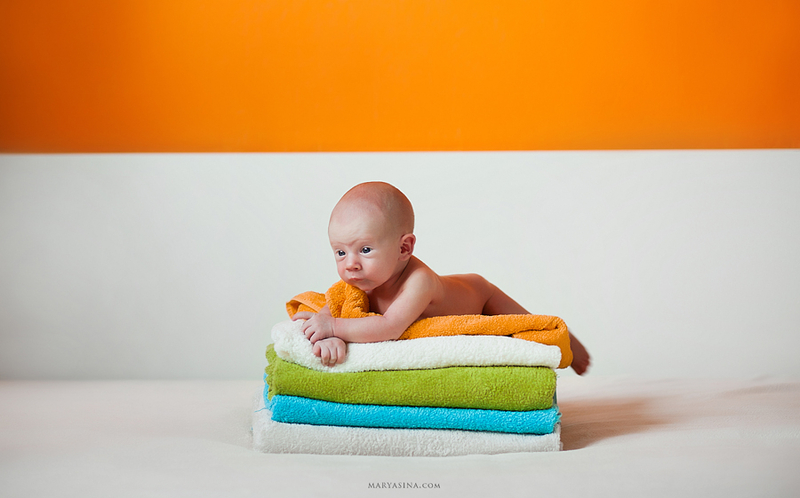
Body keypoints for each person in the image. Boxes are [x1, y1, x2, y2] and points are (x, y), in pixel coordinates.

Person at [292, 181, 591, 374]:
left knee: (531, 328)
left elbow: (389, 327)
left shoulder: (418, 281)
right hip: (461, 287)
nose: (350, 265)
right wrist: (325, 325)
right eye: (340, 252)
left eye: (365, 249)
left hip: (479, 294)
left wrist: (334, 327)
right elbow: (339, 308)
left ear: (404, 248)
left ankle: (568, 341)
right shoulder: (362, 280)